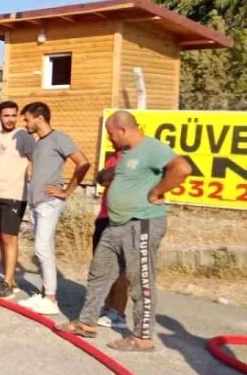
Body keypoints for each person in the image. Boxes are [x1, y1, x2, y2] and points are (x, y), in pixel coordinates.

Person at [59, 111, 190, 351]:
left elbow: (182, 168)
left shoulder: (152, 148)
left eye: (111, 134)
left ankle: (142, 337)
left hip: (141, 223)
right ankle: (87, 322)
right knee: (99, 272)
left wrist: (156, 192)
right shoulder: (126, 154)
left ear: (123, 130)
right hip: (116, 224)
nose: (110, 139)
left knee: (140, 280)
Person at [19, 102, 91, 315]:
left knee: (43, 248)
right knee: (41, 249)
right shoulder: (40, 142)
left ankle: (51, 299)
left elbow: (83, 162)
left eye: (28, 119)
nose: (26, 123)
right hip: (36, 203)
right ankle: (45, 294)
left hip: (49, 203)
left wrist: (67, 191)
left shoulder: (58, 138)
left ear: (39, 118)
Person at [0, 101, 36, 298]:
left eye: (13, 115)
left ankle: (8, 283)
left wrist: (35, 184)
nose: (10, 119)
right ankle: (8, 278)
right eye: (6, 115)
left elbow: (35, 160)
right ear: (0, 117)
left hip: (14, 194)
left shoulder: (24, 136)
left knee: (9, 237)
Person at [92, 150, 130, 328]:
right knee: (103, 265)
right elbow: (102, 178)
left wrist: (112, 173)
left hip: (122, 218)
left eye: (114, 134)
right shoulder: (114, 156)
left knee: (121, 268)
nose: (112, 138)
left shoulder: (137, 157)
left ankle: (119, 313)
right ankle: (108, 307)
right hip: (104, 216)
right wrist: (112, 173)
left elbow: (109, 176)